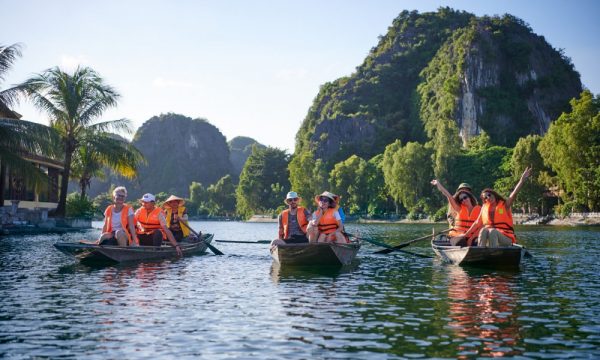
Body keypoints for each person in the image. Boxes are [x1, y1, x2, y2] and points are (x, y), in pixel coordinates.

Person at [463, 167, 532, 247]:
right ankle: (481, 252)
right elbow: (477, 223)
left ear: (493, 194)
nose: (488, 198)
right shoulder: (484, 208)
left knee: (492, 231)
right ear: (484, 200)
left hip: (506, 238)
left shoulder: (505, 205)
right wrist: (465, 235)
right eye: (485, 198)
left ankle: (494, 254)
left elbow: (514, 193)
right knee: (483, 230)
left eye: (489, 195)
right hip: (492, 237)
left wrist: (522, 180)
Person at [431, 180, 481, 246]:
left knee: (477, 241)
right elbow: (448, 195)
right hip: (457, 235)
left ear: (469, 196)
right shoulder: (459, 208)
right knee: (460, 241)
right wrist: (438, 184)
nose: (463, 200)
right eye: (461, 200)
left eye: (465, 197)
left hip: (471, 236)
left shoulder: (479, 209)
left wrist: (471, 238)